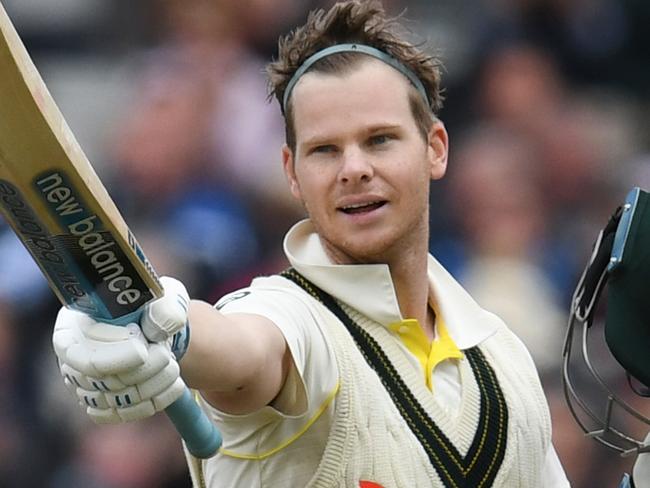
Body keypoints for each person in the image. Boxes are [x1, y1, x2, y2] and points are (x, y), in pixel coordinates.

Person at [51, 1, 577, 486]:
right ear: (293, 173)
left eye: (379, 140)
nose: (354, 170)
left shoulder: (504, 357)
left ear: (435, 149)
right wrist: (173, 330)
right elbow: (245, 349)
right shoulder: (290, 318)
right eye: (325, 150)